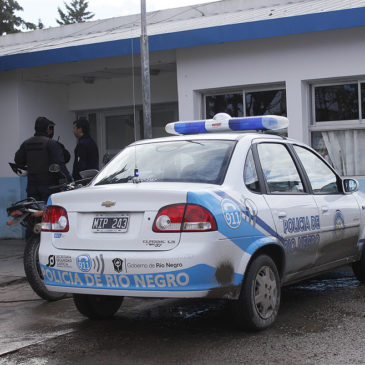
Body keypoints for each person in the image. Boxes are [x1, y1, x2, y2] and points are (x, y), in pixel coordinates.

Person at [14, 116, 71, 202]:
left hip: (32, 187)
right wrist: (68, 181)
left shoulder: (26, 143)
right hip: (50, 187)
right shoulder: (51, 144)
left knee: (34, 212)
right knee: (49, 213)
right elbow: (60, 165)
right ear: (48, 128)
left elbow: (18, 160)